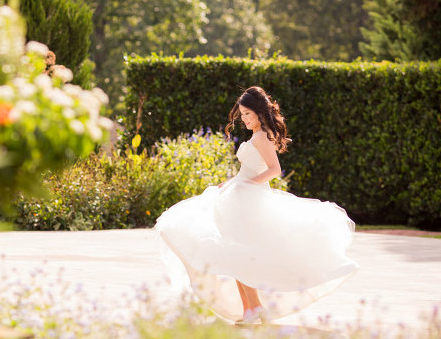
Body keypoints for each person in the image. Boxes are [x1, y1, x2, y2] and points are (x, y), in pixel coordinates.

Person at [154, 86, 360, 325]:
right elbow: (248, 169)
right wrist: (230, 183)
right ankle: (252, 309)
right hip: (239, 196)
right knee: (235, 256)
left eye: (247, 114)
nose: (244, 119)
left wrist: (246, 185)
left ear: (260, 113)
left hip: (249, 200)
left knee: (240, 256)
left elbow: (274, 170)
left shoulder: (262, 137)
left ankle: (254, 310)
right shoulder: (256, 136)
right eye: (242, 114)